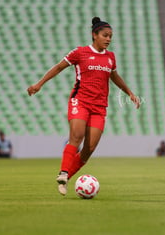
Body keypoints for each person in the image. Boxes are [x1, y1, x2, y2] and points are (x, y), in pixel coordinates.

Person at [27, 17, 140, 196]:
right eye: (105, 35)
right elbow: (58, 67)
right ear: (94, 35)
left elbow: (114, 76)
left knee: (89, 148)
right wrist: (39, 84)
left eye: (110, 36)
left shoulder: (110, 57)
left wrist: (130, 93)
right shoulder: (80, 53)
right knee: (77, 136)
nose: (108, 39)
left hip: (99, 107)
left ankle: (66, 177)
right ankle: (63, 171)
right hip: (80, 101)